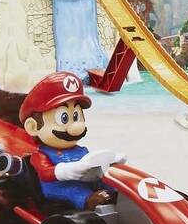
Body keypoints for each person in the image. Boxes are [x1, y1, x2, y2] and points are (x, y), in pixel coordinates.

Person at [19, 71, 123, 211]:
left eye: (76, 116)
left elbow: (92, 163)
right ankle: (88, 202)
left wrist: (111, 161)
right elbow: (45, 173)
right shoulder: (41, 155)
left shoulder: (81, 150)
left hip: (85, 181)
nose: (76, 126)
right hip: (58, 187)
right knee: (74, 190)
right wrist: (65, 171)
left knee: (108, 183)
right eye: (64, 118)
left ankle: (119, 198)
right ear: (33, 127)